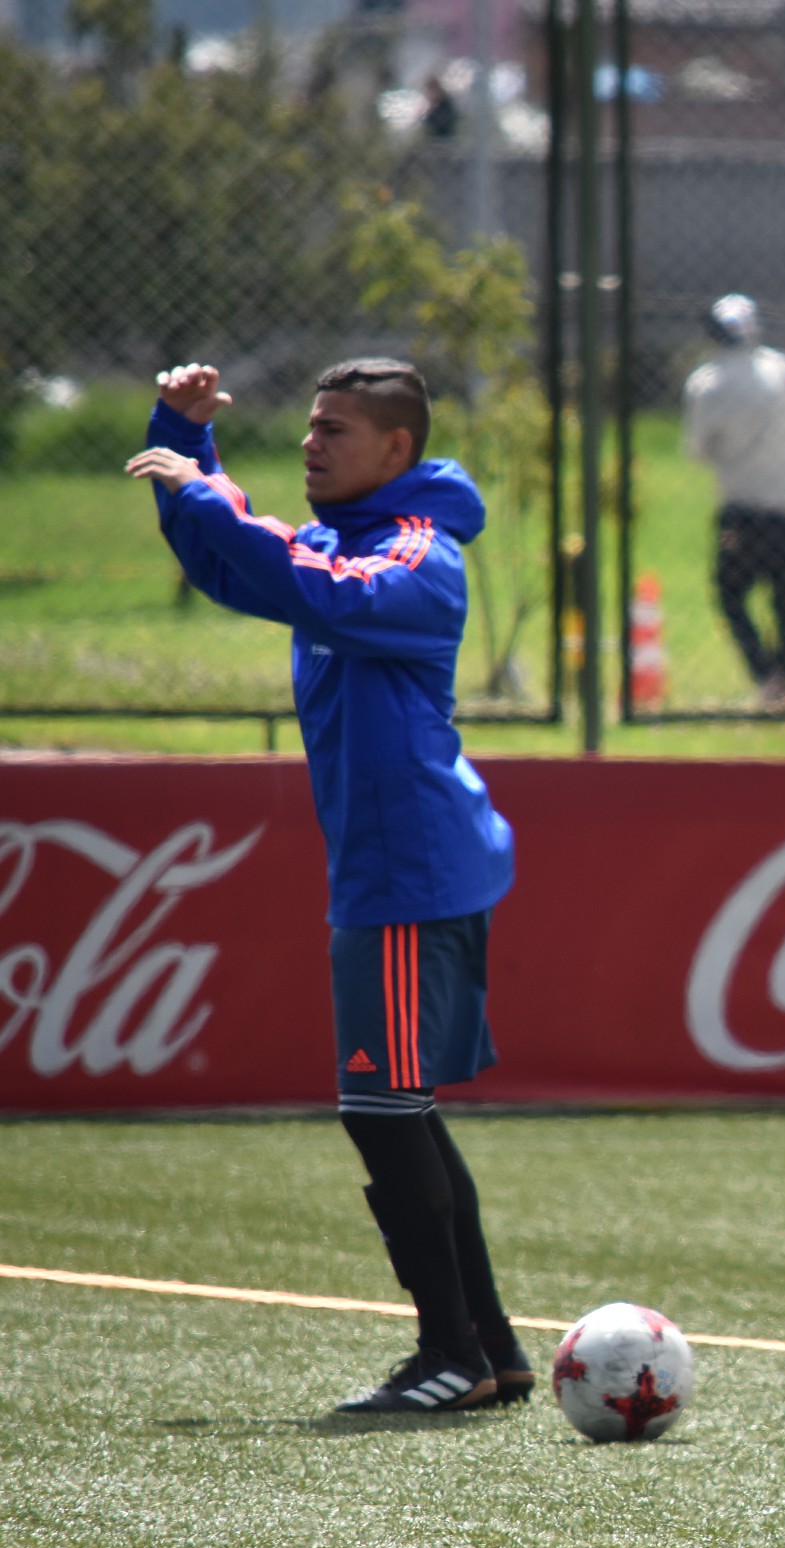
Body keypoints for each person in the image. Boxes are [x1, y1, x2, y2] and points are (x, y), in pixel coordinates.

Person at [126, 359, 530, 1414]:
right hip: (392, 871)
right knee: (401, 1111)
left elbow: (312, 584)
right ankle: (488, 1349)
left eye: (334, 430)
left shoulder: (417, 553)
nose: (310, 444)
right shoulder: (346, 539)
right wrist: (186, 443)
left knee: (383, 1111)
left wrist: (211, 491)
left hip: (410, 875)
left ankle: (449, 1355)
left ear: (396, 448)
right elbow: (236, 571)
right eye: (310, 426)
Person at [683, 293, 785, 708]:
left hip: (741, 509)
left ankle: (766, 676)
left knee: (730, 593)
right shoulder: (781, 369)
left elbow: (697, 451)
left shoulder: (706, 383)